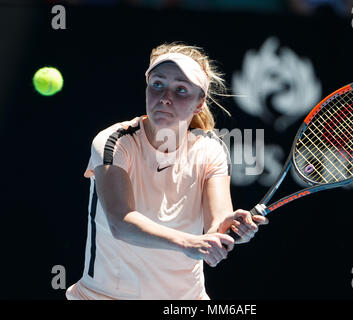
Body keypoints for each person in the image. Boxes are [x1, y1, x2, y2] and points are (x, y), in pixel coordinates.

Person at [66, 42, 268, 300]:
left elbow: (217, 224)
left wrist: (231, 229)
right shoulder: (114, 142)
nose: (164, 98)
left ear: (199, 102)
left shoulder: (211, 149)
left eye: (181, 90)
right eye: (157, 84)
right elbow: (121, 222)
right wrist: (188, 242)